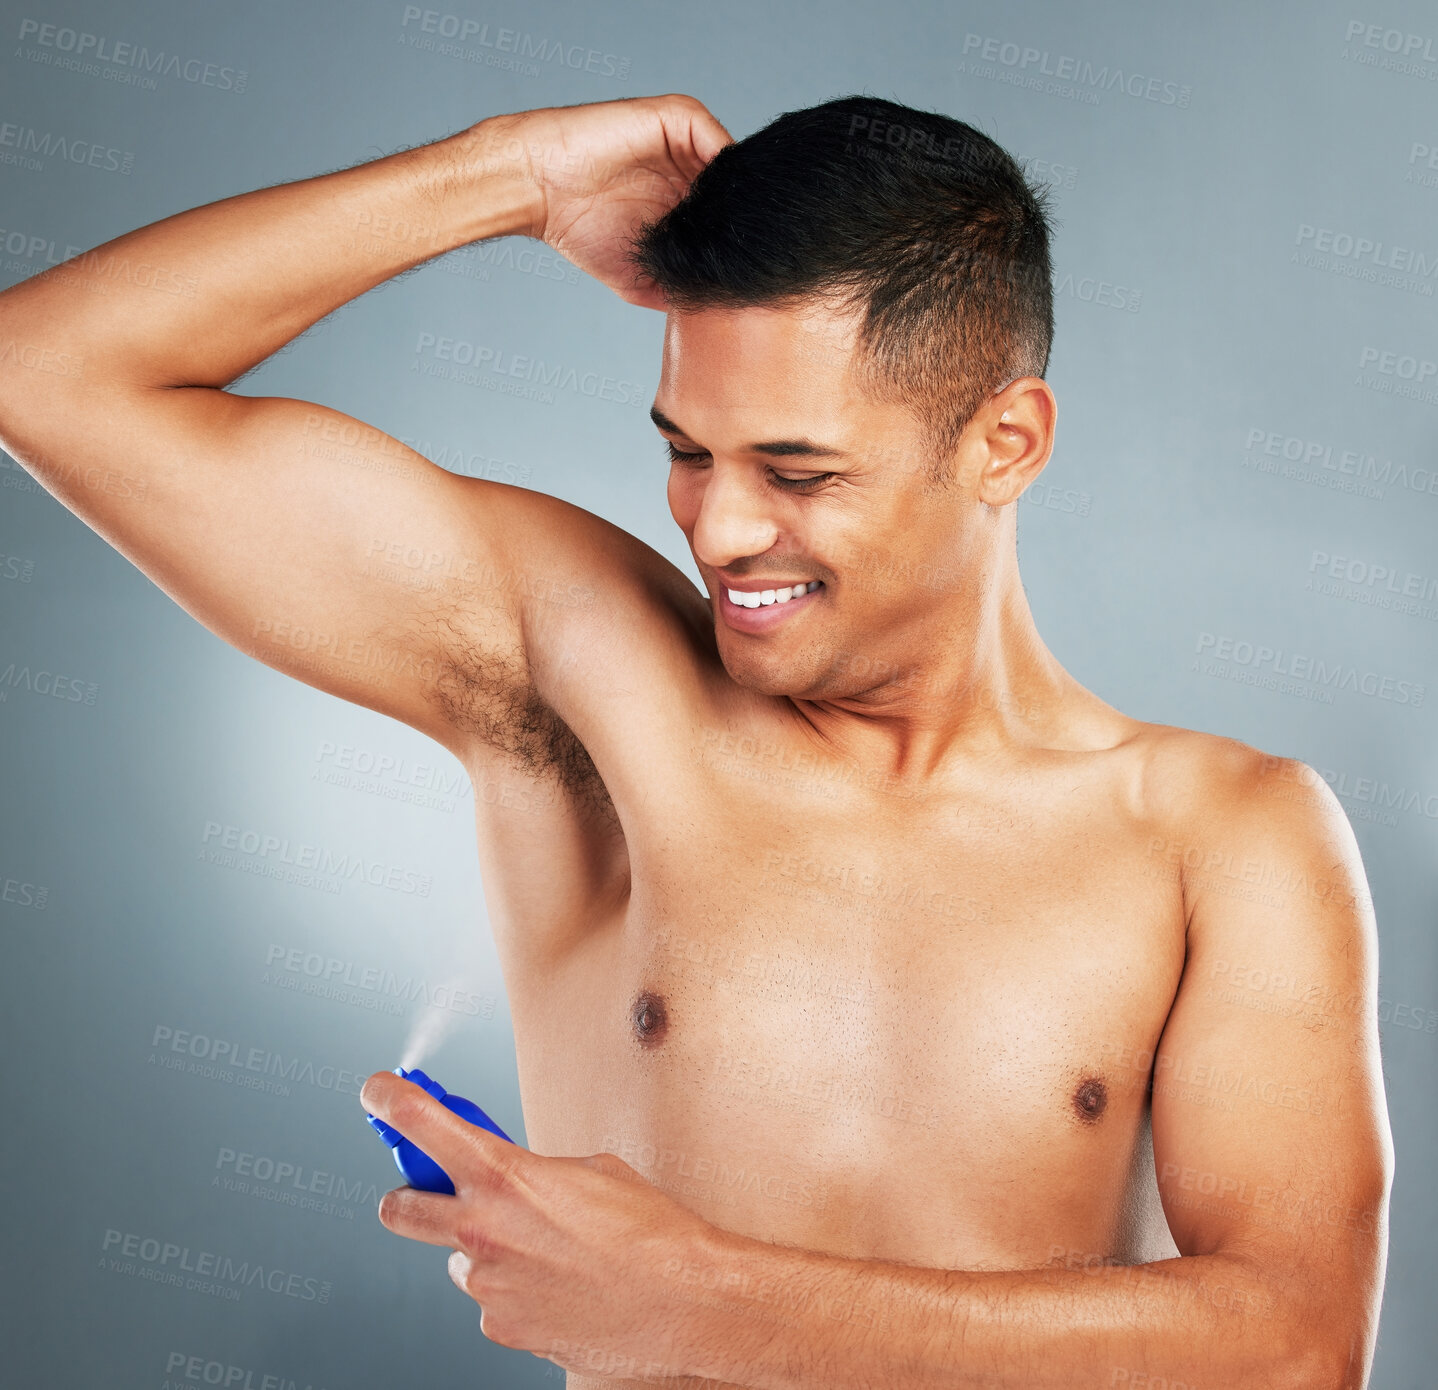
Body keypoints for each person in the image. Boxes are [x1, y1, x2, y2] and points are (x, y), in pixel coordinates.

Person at [0, 91, 1391, 1389]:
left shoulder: (1225, 835)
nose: (719, 529)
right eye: (687, 451)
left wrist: (706, 1296)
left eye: (795, 471)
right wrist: (509, 173)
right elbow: (47, 373)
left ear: (1005, 443)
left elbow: (1294, 1339)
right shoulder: (592, 687)